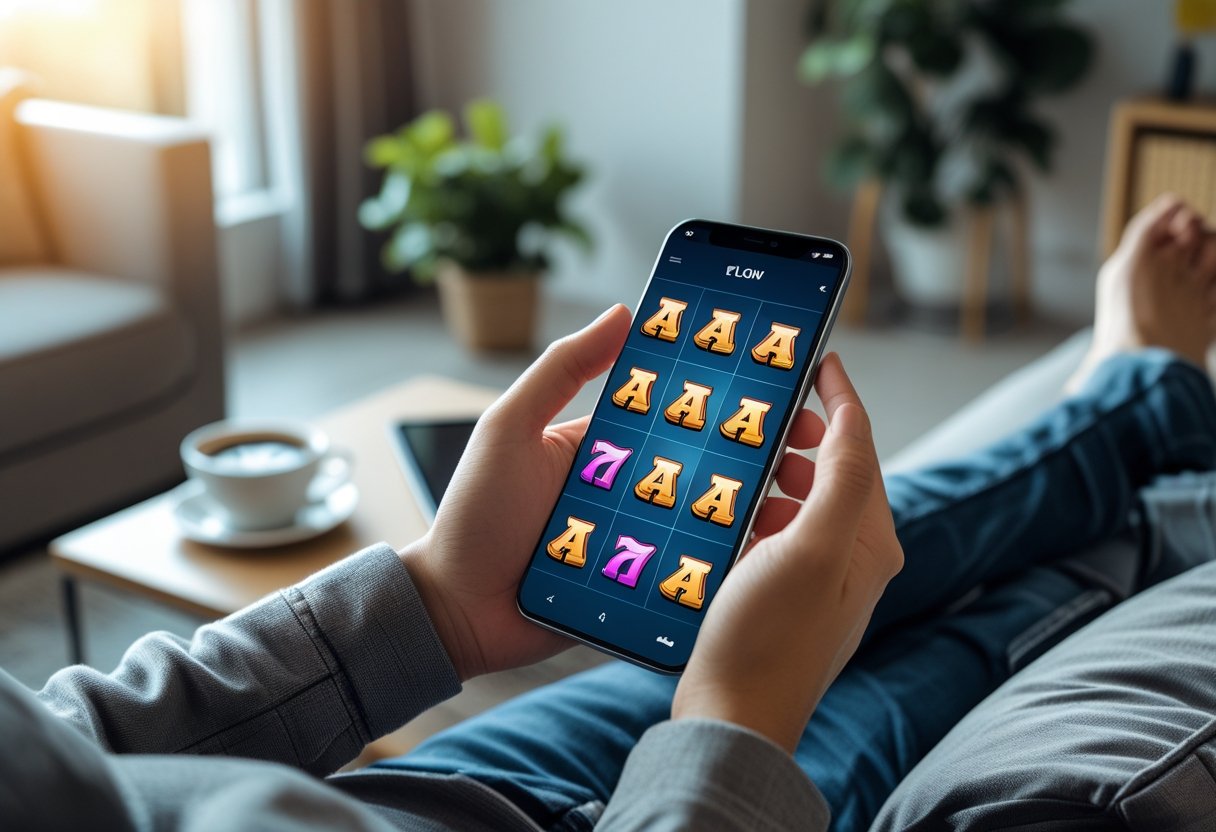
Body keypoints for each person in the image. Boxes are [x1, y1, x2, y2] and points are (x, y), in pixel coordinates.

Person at [3, 196, 1214, 832]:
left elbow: (61, 760)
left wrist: (434, 605)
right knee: (916, 646)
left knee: (837, 552)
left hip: (425, 796)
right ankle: (1140, 441)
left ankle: (1134, 398)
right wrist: (733, 729)